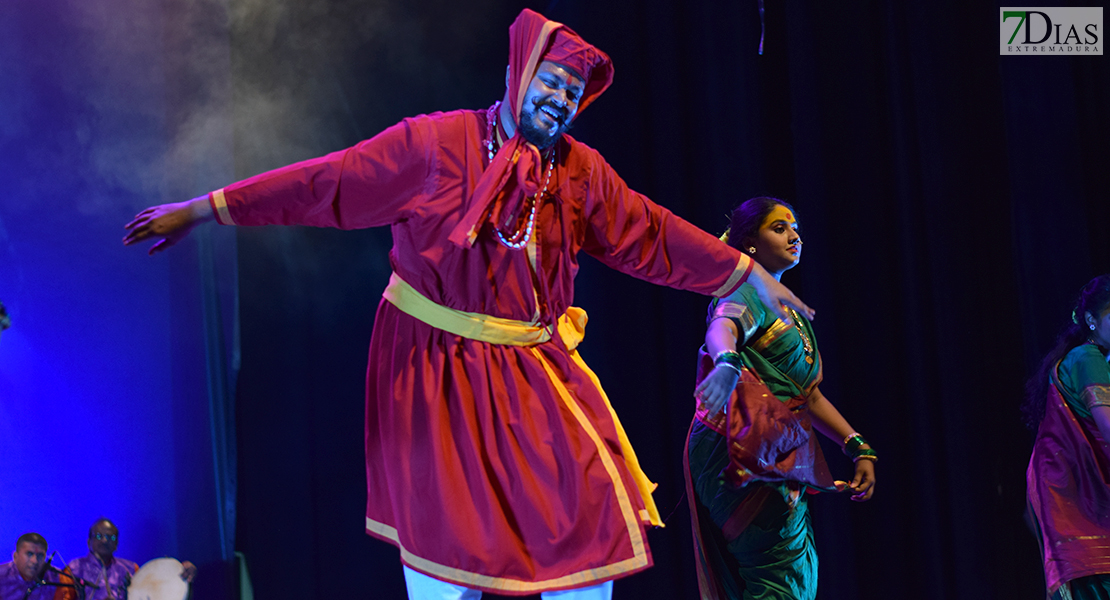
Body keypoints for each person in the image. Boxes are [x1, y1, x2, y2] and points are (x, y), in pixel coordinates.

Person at [122, 9, 814, 599]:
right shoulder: (433, 145)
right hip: (433, 366)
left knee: (593, 508)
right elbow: (326, 182)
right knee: (446, 535)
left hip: (529, 362)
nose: (560, 99)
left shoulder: (577, 172)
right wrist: (207, 209)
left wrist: (743, 272)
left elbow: (653, 233)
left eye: (572, 91)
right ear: (519, 74)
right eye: (551, 81)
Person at [685, 197, 876, 600]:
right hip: (741, 445)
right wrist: (726, 361)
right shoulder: (746, 291)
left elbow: (807, 396)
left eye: (795, 228)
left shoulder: (785, 308)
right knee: (782, 573)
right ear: (750, 244)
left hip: (772, 445)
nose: (794, 235)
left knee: (781, 574)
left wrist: (856, 444)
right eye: (779, 228)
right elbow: (723, 325)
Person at [1024, 274, 1110, 600]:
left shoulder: (1089, 360)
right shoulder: (1087, 358)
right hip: (1090, 526)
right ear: (1091, 320)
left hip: (1078, 522)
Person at [66, 519, 195, 600]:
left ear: (117, 544)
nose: (105, 541)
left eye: (111, 537)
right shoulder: (74, 569)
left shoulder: (131, 569)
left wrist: (181, 576)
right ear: (89, 542)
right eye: (99, 536)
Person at [0, 533, 76, 600]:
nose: (35, 561)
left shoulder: (57, 578)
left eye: (40, 555)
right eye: (29, 554)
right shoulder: (2, 575)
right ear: (15, 557)